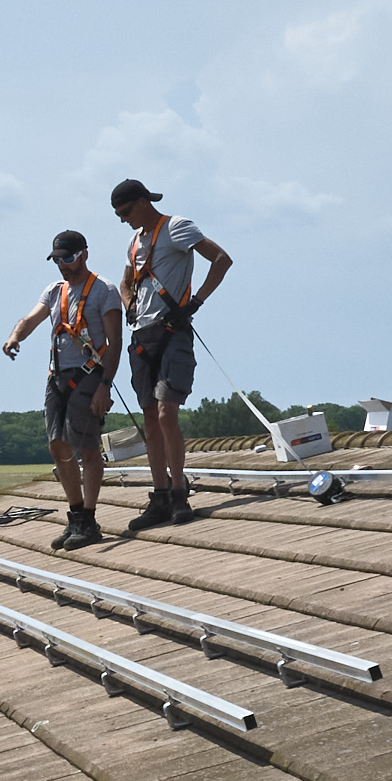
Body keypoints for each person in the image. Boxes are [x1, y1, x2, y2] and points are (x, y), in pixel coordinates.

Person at [111, 178, 231, 530]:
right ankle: (160, 496)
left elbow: (221, 259)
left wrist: (195, 303)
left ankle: (179, 492)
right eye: (118, 215)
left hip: (172, 329)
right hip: (141, 335)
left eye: (126, 211)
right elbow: (125, 282)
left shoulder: (176, 227)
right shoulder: (135, 242)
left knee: (166, 413)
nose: (123, 219)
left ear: (144, 201)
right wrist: (129, 302)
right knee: (149, 418)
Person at [2, 229, 121, 550]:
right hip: (56, 378)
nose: (62, 266)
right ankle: (76, 514)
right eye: (57, 260)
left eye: (67, 259)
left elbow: (114, 343)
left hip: (88, 377)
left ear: (84, 254)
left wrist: (105, 387)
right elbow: (30, 319)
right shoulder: (55, 292)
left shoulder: (104, 291)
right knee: (57, 445)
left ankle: (89, 519)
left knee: (87, 448)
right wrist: (15, 337)